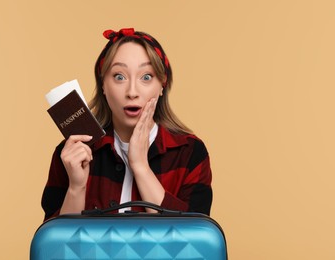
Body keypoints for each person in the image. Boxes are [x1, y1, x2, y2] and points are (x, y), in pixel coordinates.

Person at [41, 28, 212, 221]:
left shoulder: (190, 153)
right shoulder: (72, 153)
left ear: (162, 85)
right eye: (119, 77)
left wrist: (140, 166)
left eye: (146, 77)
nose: (132, 92)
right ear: (103, 86)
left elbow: (192, 242)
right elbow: (56, 248)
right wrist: (76, 187)